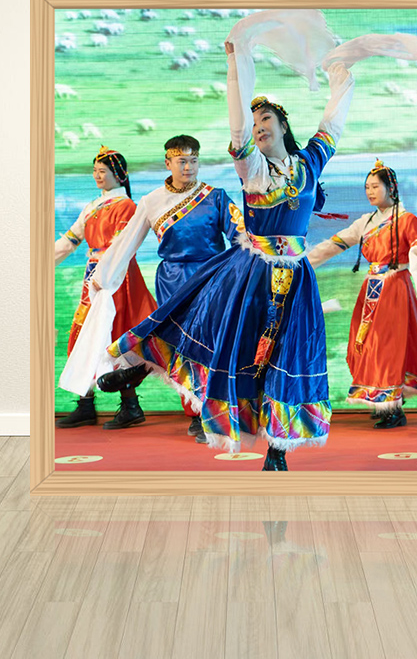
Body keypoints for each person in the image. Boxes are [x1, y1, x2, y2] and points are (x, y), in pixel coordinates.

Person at [105, 41, 355, 470]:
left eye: (266, 119)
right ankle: (143, 363)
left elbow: (333, 122)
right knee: (214, 330)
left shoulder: (310, 163)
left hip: (296, 277)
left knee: (289, 355)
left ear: (283, 126)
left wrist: (341, 75)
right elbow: (237, 129)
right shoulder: (252, 168)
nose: (258, 127)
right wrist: (236, 65)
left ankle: (277, 451)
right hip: (251, 272)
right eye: (254, 122)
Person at [88, 135, 245, 444]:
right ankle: (194, 412)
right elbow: (126, 243)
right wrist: (103, 276)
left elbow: (241, 237)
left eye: (194, 161)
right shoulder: (151, 201)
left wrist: (247, 271)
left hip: (211, 278)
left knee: (209, 344)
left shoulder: (216, 197)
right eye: (182, 161)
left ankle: (201, 406)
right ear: (168, 163)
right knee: (181, 344)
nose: (189, 167)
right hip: (173, 279)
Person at [306, 160, 417, 428]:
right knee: (364, 345)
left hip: (395, 288)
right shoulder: (366, 222)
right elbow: (335, 244)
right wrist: (303, 264)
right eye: (367, 187)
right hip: (371, 289)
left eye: (375, 186)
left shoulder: (407, 220)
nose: (370, 192)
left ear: (391, 188)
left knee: (387, 347)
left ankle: (393, 406)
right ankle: (382, 398)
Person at [55, 146, 157, 429]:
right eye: (95, 171)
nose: (97, 176)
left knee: (115, 335)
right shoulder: (92, 207)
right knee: (83, 334)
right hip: (93, 277)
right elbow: (70, 241)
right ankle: (86, 402)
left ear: (119, 175)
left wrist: (105, 275)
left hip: (116, 278)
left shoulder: (127, 207)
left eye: (103, 171)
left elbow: (122, 247)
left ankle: (130, 405)